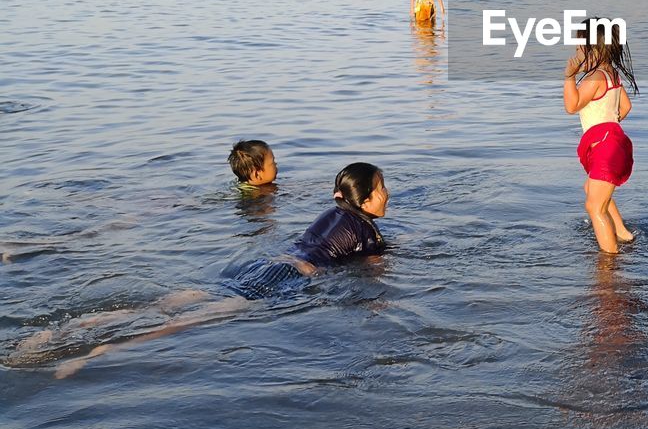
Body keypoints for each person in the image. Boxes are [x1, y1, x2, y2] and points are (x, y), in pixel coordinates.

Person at [12, 163, 391, 378]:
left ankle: (67, 329)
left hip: (264, 265)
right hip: (289, 278)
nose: (387, 193)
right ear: (370, 199)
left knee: (171, 303)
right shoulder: (368, 230)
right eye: (383, 186)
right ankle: (99, 352)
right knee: (191, 321)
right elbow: (373, 276)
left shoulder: (332, 212)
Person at [563, 19, 637, 254]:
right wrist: (607, 128)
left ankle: (609, 264)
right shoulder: (611, 75)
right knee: (592, 191)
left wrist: (568, 77)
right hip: (616, 144)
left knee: (594, 206)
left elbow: (572, 105)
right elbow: (625, 107)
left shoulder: (594, 78)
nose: (576, 54)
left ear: (592, 49)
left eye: (578, 49)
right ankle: (623, 233)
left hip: (605, 149)